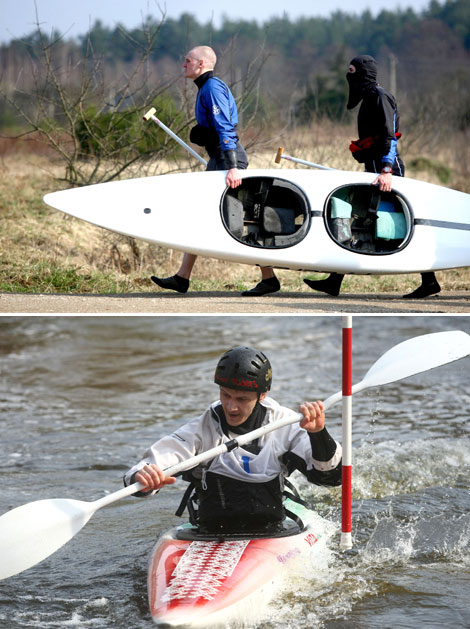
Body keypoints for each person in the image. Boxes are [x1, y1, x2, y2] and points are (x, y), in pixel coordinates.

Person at [123, 346, 342, 533]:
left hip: (271, 532)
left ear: (262, 395)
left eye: (241, 399)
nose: (231, 406)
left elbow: (331, 477)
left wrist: (318, 433)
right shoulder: (202, 429)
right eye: (225, 394)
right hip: (210, 531)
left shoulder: (285, 425)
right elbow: (146, 468)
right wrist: (144, 478)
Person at [304, 54, 441, 300]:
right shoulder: (369, 98)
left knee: (398, 226)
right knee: (360, 221)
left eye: (353, 73)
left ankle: (429, 280)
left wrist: (387, 171)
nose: (350, 78)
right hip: (375, 170)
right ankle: (335, 281)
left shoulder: (380, 97)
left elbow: (390, 138)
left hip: (388, 172)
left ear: (363, 75)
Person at [151, 46, 280, 297]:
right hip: (219, 160)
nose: (183, 64)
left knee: (239, 219)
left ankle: (269, 278)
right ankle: (182, 277)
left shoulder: (211, 88)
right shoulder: (206, 88)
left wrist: (232, 166)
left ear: (201, 63)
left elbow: (226, 127)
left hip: (227, 160)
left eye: (187, 60)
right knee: (201, 216)